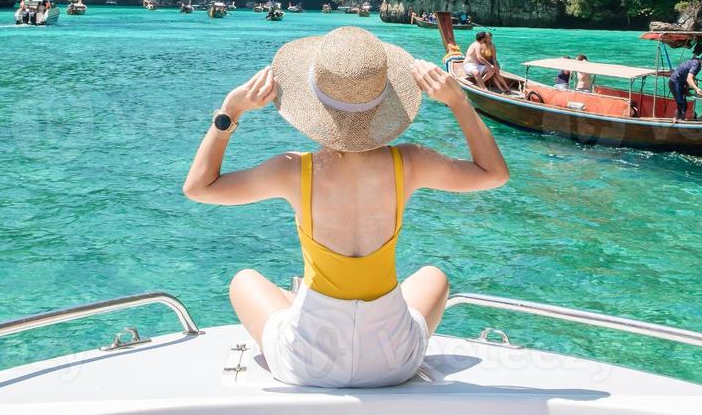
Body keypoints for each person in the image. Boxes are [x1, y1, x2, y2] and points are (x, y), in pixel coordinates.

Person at [183, 27, 509, 389]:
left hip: (308, 364)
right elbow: (493, 173)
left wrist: (230, 111)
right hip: (392, 362)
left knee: (244, 281)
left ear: (312, 104)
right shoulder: (411, 163)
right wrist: (460, 102)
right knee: (434, 276)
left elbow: (200, 187)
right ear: (385, 101)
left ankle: (304, 302)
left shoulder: (294, 170)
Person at [668, 52, 702, 122]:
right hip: (675, 82)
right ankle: (676, 120)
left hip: (680, 83)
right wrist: (697, 89)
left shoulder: (695, 60)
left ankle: (680, 120)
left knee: (684, 105)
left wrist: (686, 90)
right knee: (681, 103)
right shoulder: (697, 65)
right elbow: (689, 79)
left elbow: (687, 77)